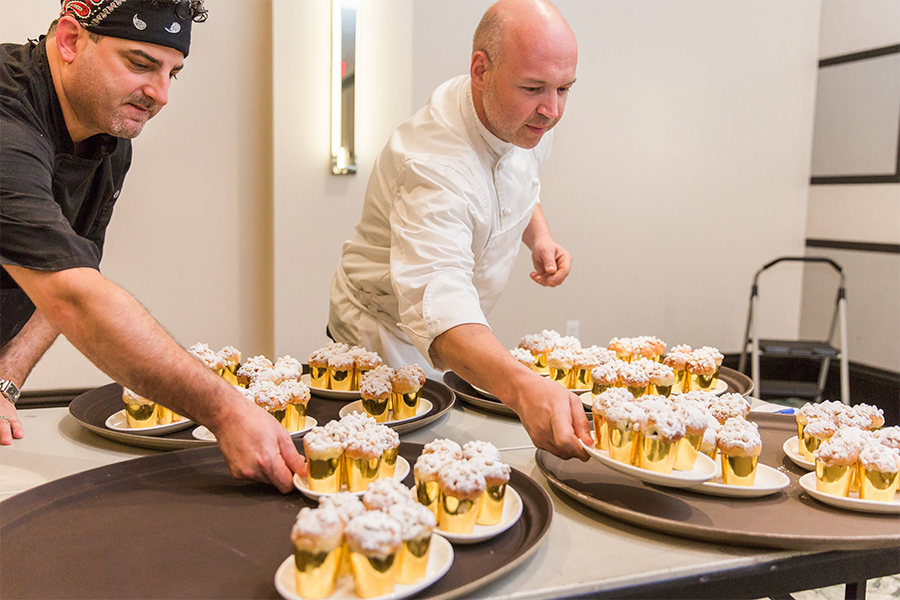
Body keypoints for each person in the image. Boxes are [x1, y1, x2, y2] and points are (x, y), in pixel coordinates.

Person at [0, 0, 306, 491]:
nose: (159, 94)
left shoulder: (110, 136)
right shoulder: (7, 116)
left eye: (173, 73)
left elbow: (74, 268)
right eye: (140, 64)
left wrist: (4, 382)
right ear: (70, 40)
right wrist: (226, 412)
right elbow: (73, 297)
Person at [328, 0, 591, 460]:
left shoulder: (518, 114)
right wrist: (525, 387)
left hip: (457, 328)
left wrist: (540, 236)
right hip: (383, 331)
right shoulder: (434, 165)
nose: (552, 111)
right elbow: (440, 302)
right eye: (534, 88)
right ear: (480, 70)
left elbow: (516, 181)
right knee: (398, 467)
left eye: (564, 88)